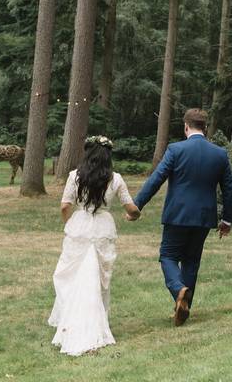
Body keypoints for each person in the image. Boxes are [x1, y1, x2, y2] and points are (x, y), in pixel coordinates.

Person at [131, 108, 232, 326]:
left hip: (177, 215)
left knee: (168, 255)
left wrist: (137, 204)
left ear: (186, 127)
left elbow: (157, 178)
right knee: (191, 261)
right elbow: (229, 190)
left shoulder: (175, 150)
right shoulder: (219, 154)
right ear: (205, 128)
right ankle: (183, 307)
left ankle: (179, 291)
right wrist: (227, 219)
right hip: (203, 218)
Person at [48, 135, 141, 356]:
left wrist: (69, 222)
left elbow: (64, 206)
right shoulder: (115, 179)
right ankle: (96, 321)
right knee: (99, 278)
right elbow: (131, 207)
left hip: (79, 226)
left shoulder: (74, 176)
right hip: (102, 228)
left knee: (68, 275)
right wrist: (134, 216)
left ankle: (70, 321)